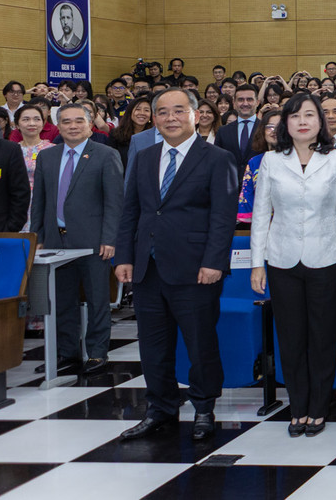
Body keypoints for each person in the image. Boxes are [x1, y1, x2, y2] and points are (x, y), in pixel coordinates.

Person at [114, 89, 239, 442]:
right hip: (147, 268)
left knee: (200, 342)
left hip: (196, 268)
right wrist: (124, 256)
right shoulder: (144, 156)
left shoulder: (218, 158)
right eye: (163, 112)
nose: (170, 118)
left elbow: (223, 217)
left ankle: (203, 408)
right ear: (154, 119)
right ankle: (160, 409)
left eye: (178, 111)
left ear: (195, 115)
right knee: (153, 345)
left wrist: (215, 261)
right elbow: (131, 211)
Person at [249, 93, 336, 437]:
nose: (302, 121)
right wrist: (257, 263)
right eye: (294, 116)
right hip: (282, 260)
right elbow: (260, 215)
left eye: (309, 115)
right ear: (285, 123)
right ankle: (297, 407)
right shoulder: (270, 161)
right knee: (291, 337)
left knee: (323, 337)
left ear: (320, 122)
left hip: (327, 258)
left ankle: (318, 407)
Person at [29, 101, 123, 376]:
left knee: (96, 299)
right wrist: (39, 236)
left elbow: (114, 202)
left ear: (90, 123)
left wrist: (110, 238)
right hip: (56, 242)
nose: (72, 126)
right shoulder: (47, 157)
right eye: (66, 121)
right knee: (62, 301)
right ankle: (66, 353)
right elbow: (39, 201)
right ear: (58, 126)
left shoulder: (105, 155)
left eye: (78, 121)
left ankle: (96, 353)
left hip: (94, 242)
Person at [234, 111, 281, 224]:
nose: (274, 131)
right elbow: (247, 194)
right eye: (269, 127)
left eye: (279, 127)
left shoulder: (296, 159)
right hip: (260, 223)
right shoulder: (254, 162)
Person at [13, 105, 53, 231]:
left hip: (44, 202)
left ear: (43, 122)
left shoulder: (53, 150)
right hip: (16, 204)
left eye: (37, 119)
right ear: (17, 125)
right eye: (26, 119)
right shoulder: (11, 150)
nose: (32, 123)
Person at [216, 83, 260, 173]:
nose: (245, 103)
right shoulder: (223, 131)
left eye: (250, 99)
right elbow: (216, 161)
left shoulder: (265, 129)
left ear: (257, 102)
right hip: (229, 184)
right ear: (234, 103)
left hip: (259, 184)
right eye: (240, 100)